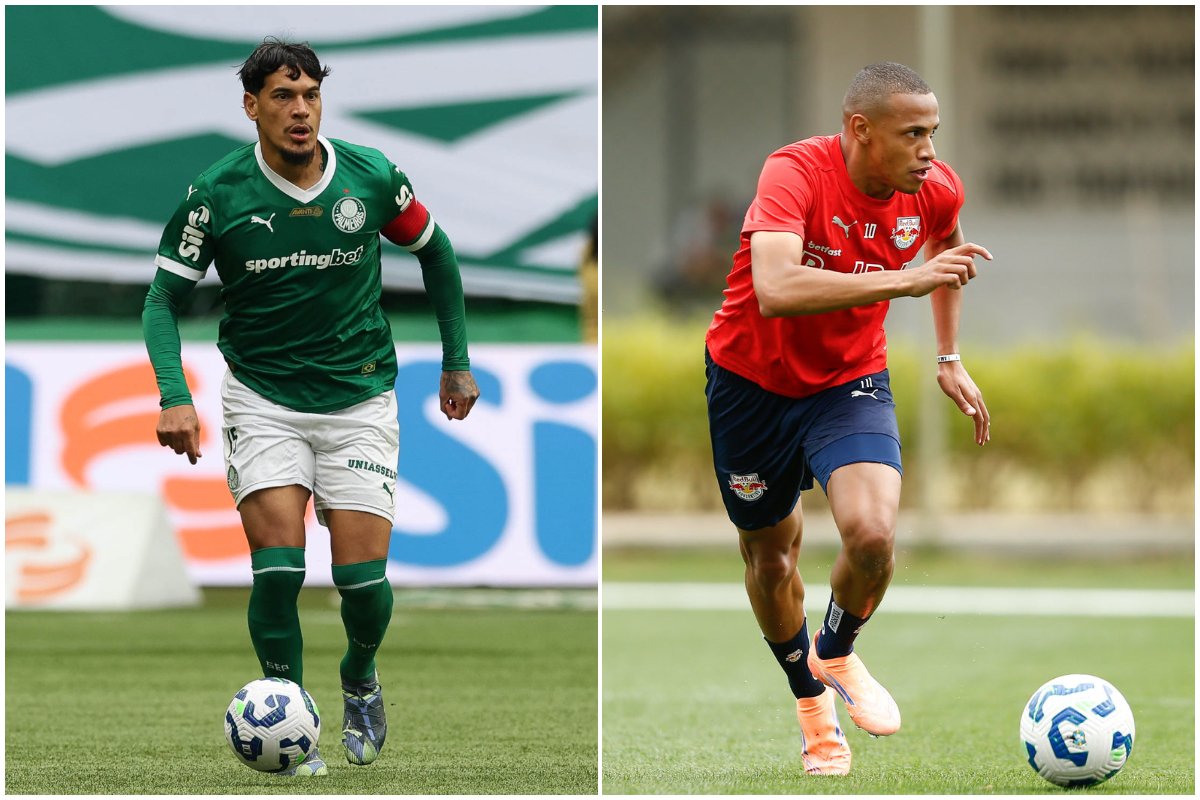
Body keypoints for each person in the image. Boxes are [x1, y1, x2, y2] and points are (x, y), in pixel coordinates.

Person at [143, 38, 480, 777]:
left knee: (362, 584)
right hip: (263, 399)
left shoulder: (371, 176)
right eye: (283, 97)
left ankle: (360, 674)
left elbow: (436, 251)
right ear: (251, 106)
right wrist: (174, 395)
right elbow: (162, 298)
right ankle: (292, 725)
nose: (300, 111)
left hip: (359, 396)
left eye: (311, 95)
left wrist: (455, 360)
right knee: (278, 572)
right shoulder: (216, 195)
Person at [703, 62, 992, 776]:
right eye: (913, 134)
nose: (928, 150)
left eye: (933, 132)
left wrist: (949, 355)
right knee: (771, 559)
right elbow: (774, 287)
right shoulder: (794, 173)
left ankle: (834, 650)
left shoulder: (935, 189)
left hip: (848, 380)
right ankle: (812, 706)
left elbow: (946, 254)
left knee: (872, 535)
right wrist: (906, 280)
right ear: (861, 130)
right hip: (749, 385)